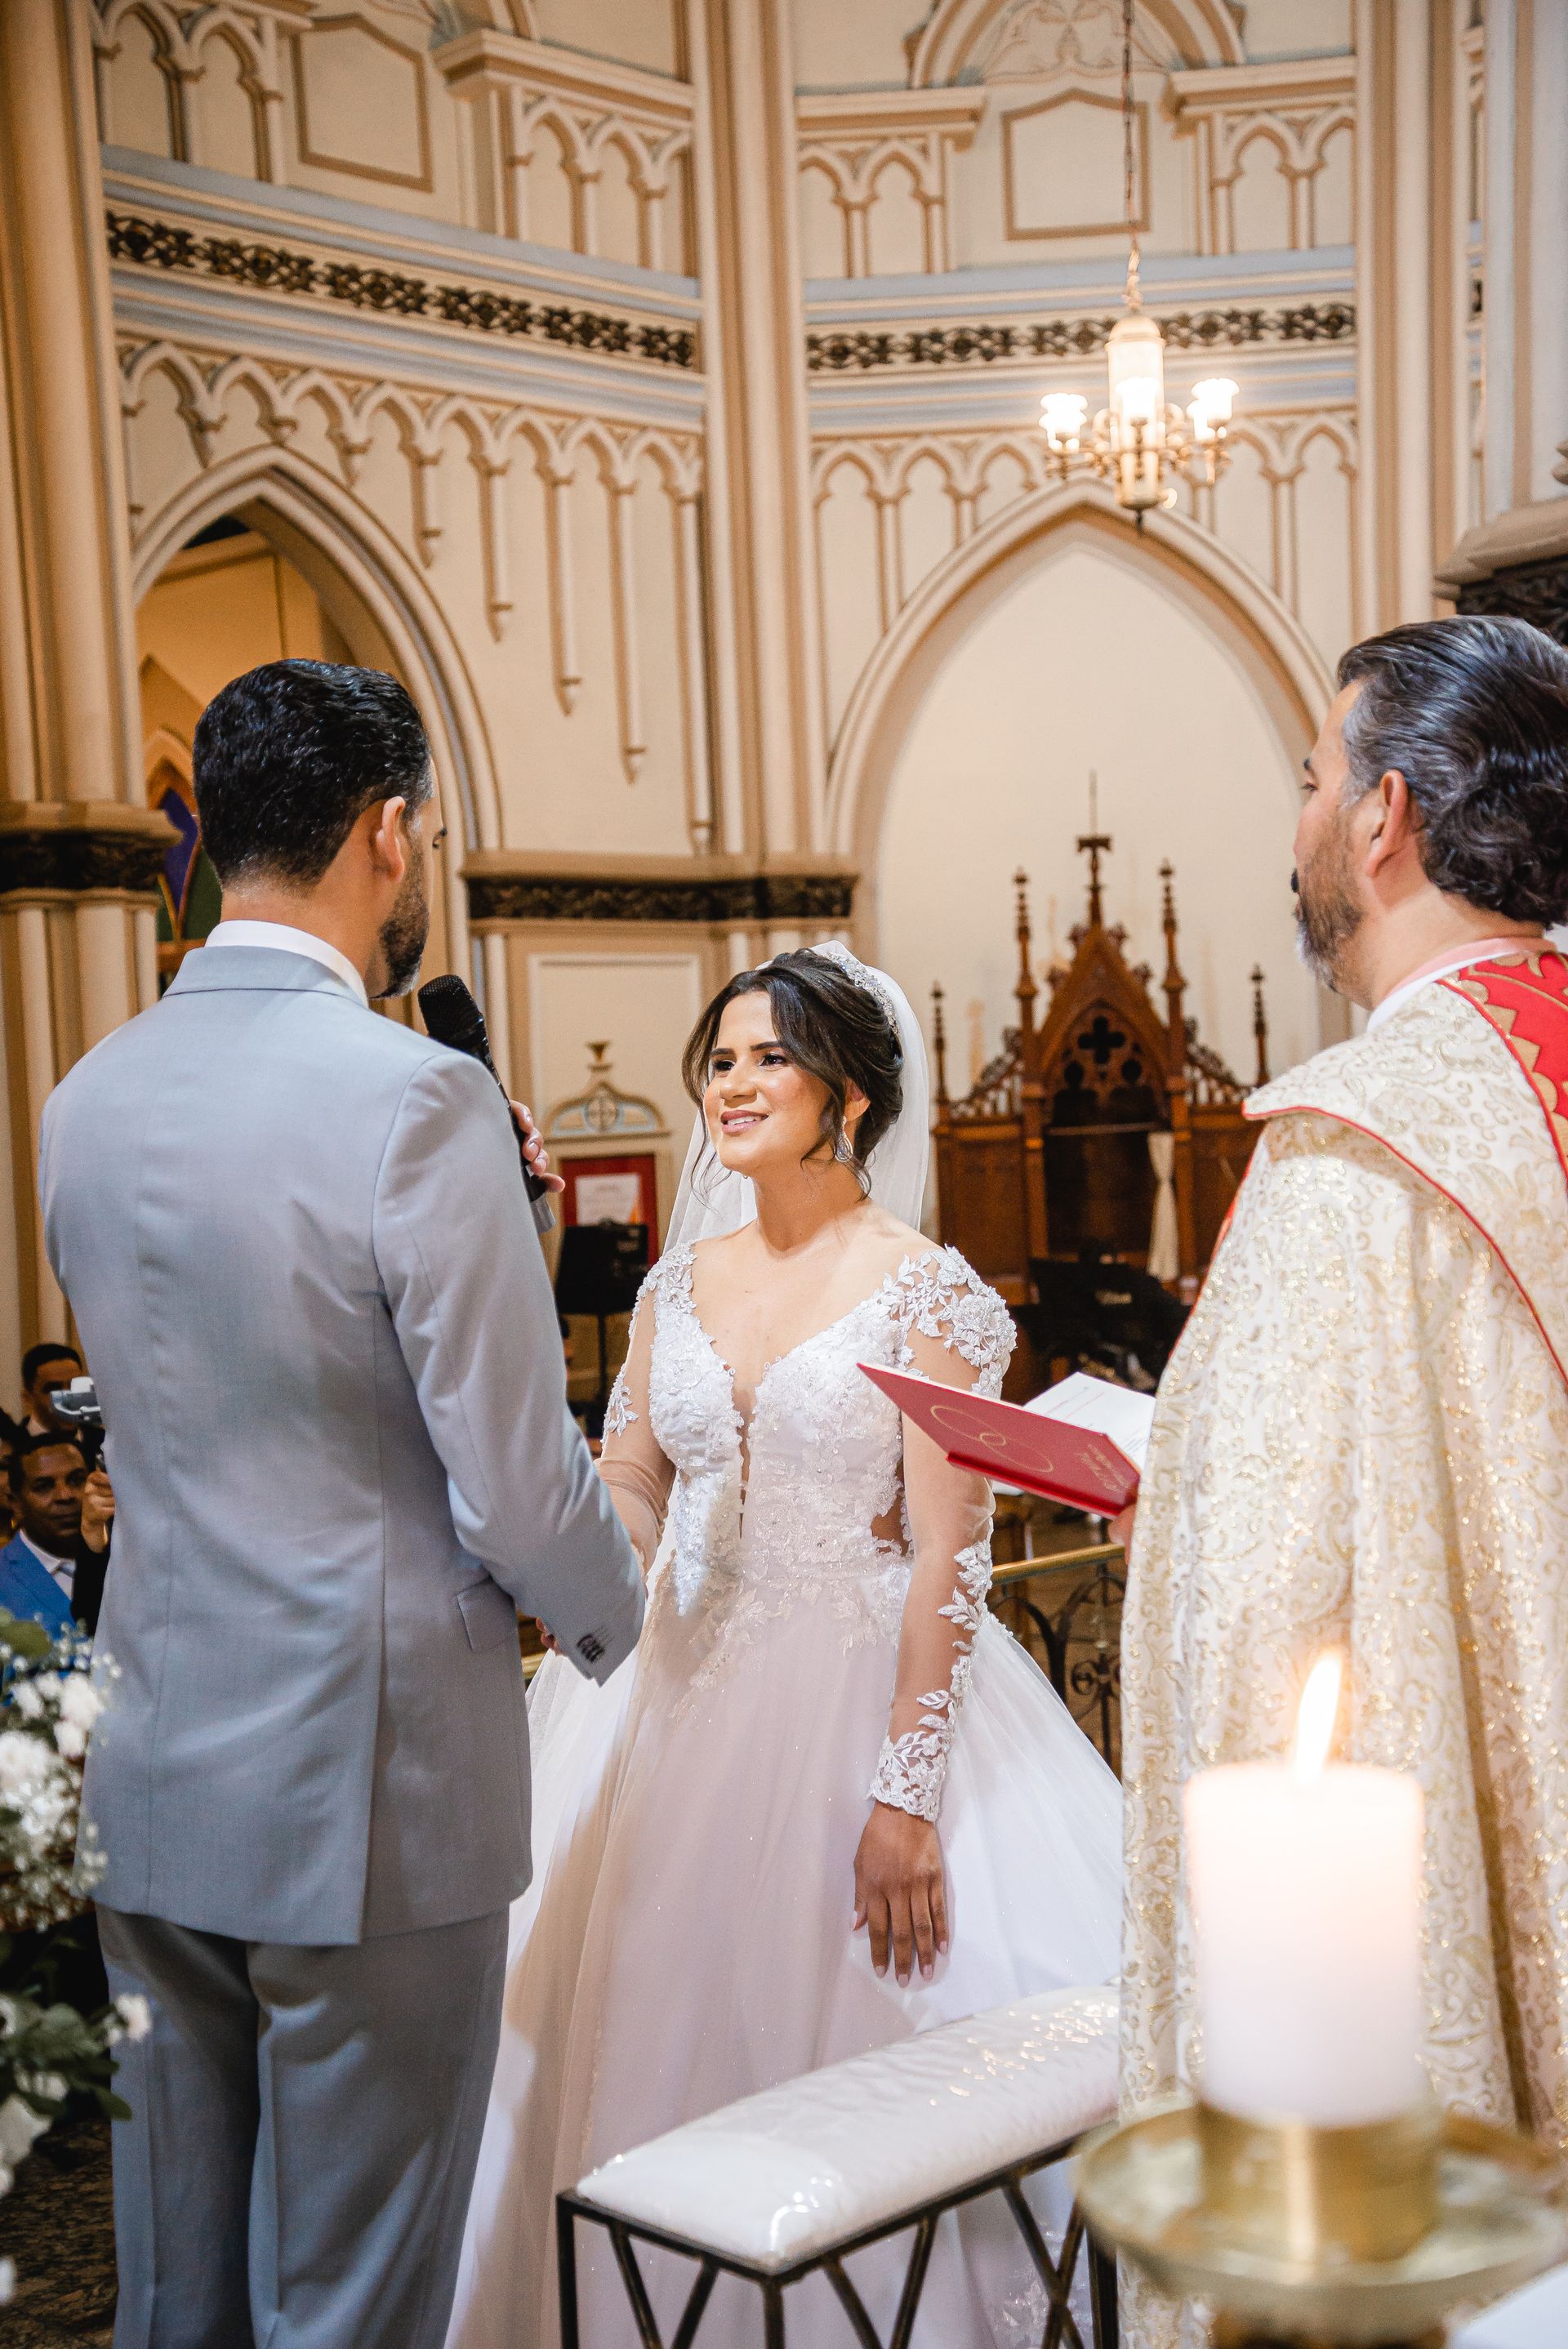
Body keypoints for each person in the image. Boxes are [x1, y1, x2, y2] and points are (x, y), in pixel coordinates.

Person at [40, 659, 644, 2349]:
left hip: (154, 1767)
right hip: (371, 1788)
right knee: (351, 2300)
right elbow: (521, 1482)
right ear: (388, 832)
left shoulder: (81, 1102)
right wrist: (627, 1625)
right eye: (430, 834)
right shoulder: (416, 1099)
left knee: (177, 2294)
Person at [447, 945, 1122, 2349]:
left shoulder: (926, 1290)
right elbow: (633, 1478)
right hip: (677, 1692)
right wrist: (558, 1546)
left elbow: (951, 1550)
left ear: (853, 1096)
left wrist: (905, 1794)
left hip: (863, 1692)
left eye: (770, 1057)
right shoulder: (673, 1288)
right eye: (722, 1059)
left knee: (878, 2051)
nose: (733, 1084)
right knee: (626, 2019)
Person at [1120, 618, 1568, 2300]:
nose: (1297, 815)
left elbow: (1260, 1624)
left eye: (1312, 775)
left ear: (1382, 817)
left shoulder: (1353, 1154)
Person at [0, 1429, 114, 1638]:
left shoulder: (125, 1560)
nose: (65, 1496)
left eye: (77, 1480)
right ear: (16, 1503)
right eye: (44, 1487)